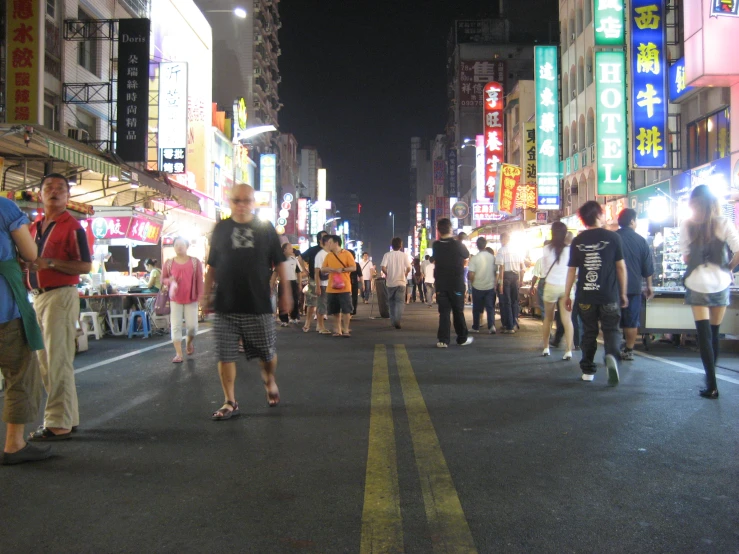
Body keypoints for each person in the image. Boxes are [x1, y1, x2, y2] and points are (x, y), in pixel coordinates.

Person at [203, 184, 292, 420]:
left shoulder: (265, 229)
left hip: (258, 302)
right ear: (229, 202)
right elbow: (212, 265)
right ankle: (230, 401)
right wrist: (205, 294)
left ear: (254, 202)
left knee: (267, 354)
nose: (241, 205)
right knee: (225, 354)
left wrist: (286, 293)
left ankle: (269, 378)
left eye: (246, 200)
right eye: (236, 201)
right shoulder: (221, 228)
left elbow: (280, 263)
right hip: (226, 304)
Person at [26, 174, 92, 441]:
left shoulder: (72, 226)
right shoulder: (35, 226)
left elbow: (85, 266)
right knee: (46, 361)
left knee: (57, 360)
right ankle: (67, 418)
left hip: (60, 295)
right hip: (38, 297)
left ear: (67, 196)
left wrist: (50, 263)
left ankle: (57, 423)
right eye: (48, 188)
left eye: (60, 189)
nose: (54, 192)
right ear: (39, 194)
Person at [0, 196, 50, 464]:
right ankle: (15, 444)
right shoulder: (3, 207)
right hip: (4, 310)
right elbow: (31, 253)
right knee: (19, 373)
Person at [679, 185, 739, 399]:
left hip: (697, 284)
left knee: (703, 334)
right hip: (721, 282)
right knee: (714, 332)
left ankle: (711, 384)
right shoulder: (723, 223)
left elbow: (686, 257)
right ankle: (712, 380)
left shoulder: (687, 225)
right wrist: (729, 267)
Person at [564, 201, 628, 385]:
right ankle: (612, 357)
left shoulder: (578, 241)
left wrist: (568, 294)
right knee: (611, 330)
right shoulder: (613, 238)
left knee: (589, 332)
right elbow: (621, 268)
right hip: (608, 295)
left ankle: (587, 370)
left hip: (586, 296)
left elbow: (571, 270)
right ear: (600, 215)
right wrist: (622, 293)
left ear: (583, 220)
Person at [616, 208, 654, 361]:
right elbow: (648, 268)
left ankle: (612, 349)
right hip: (633, 288)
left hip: (614, 288)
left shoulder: (613, 237)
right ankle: (629, 350)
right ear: (632, 221)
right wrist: (649, 286)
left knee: (612, 321)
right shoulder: (641, 241)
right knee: (632, 321)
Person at [162, 237, 204, 363]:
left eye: (181, 244)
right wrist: (168, 280)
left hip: (191, 298)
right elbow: (163, 279)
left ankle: (189, 343)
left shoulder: (195, 262)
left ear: (187, 246)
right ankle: (178, 354)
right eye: (176, 245)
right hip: (175, 298)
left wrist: (201, 296)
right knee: (176, 326)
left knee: (192, 327)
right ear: (173, 247)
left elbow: (199, 280)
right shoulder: (169, 263)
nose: (179, 247)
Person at [433, 218, 473, 348]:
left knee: (444, 312)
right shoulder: (457, 244)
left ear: (438, 231)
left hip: (441, 284)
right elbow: (466, 254)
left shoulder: (436, 245)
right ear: (451, 229)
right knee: (458, 311)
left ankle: (443, 340)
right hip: (456, 283)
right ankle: (462, 338)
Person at [538, 222, 574, 360]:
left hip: (550, 286)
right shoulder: (570, 250)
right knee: (567, 320)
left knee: (548, 318)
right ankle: (568, 350)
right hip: (566, 288)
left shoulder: (546, 249)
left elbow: (545, 269)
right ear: (565, 234)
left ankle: (546, 347)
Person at [321, 236, 355, 336]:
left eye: (330, 242)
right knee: (334, 310)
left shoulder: (347, 254)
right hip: (331, 287)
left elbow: (353, 267)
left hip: (344, 286)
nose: (328, 244)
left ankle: (346, 330)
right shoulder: (329, 255)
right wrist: (330, 269)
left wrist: (343, 270)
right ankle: (338, 330)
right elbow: (323, 269)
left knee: (346, 310)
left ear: (336, 243)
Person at [496, 232, 526, 334]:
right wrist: (521, 280)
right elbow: (523, 268)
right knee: (514, 301)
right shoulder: (517, 251)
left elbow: (501, 268)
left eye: (501, 240)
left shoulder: (501, 251)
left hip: (506, 277)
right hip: (516, 277)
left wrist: (500, 283)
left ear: (503, 240)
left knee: (507, 302)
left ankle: (509, 327)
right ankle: (514, 322)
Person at [301, 230, 328, 333]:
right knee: (311, 302)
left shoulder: (328, 250)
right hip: (313, 278)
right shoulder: (313, 250)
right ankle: (307, 323)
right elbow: (300, 257)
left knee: (322, 303)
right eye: (324, 237)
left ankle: (320, 325)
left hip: (325, 280)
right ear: (319, 239)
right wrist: (304, 270)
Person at [468, 236, 497, 334]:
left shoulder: (474, 258)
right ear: (485, 245)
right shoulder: (492, 257)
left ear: (477, 246)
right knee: (490, 307)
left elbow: (471, 274)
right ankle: (491, 326)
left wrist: (472, 282)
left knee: (476, 308)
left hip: (477, 286)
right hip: (490, 286)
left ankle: (476, 327)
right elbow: (496, 271)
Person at [381, 237, 411, 329]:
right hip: (401, 282)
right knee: (400, 302)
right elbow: (409, 267)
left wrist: (387, 274)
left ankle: (393, 321)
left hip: (390, 283)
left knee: (391, 302)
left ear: (392, 245)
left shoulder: (387, 255)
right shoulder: (404, 255)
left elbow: (383, 267)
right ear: (401, 245)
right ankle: (398, 320)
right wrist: (405, 274)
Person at [277, 242, 302, 326]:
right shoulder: (280, 260)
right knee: (281, 299)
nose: (292, 249)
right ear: (284, 249)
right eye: (290, 248)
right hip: (283, 282)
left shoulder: (294, 259)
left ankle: (294, 317)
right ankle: (284, 319)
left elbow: (298, 272)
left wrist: (299, 283)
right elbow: (275, 272)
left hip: (293, 282)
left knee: (295, 300)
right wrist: (272, 283)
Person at [313, 235, 332, 334]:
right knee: (321, 305)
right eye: (330, 241)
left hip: (330, 284)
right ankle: (320, 327)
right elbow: (317, 272)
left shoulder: (331, 253)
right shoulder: (320, 255)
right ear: (325, 242)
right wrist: (318, 286)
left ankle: (321, 326)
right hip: (323, 283)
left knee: (325, 305)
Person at [348, 250, 361, 316]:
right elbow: (360, 275)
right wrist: (363, 284)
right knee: (354, 297)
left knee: (348, 297)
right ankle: (352, 311)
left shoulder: (345, 264)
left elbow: (360, 275)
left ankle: (349, 311)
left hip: (347, 282)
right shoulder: (356, 264)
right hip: (354, 282)